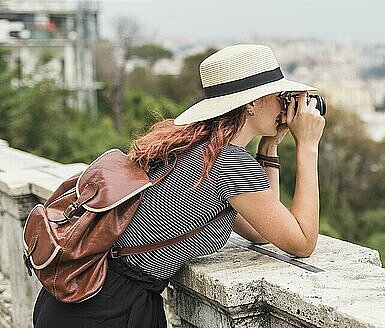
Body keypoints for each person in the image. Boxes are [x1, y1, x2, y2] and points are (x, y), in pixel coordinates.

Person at [32, 44, 326, 328]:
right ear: (251, 102)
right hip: (108, 307)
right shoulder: (229, 162)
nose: (286, 104)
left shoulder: (196, 147)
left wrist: (270, 148)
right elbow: (301, 243)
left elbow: (264, 230)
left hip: (85, 296)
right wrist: (308, 147)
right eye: (279, 95)